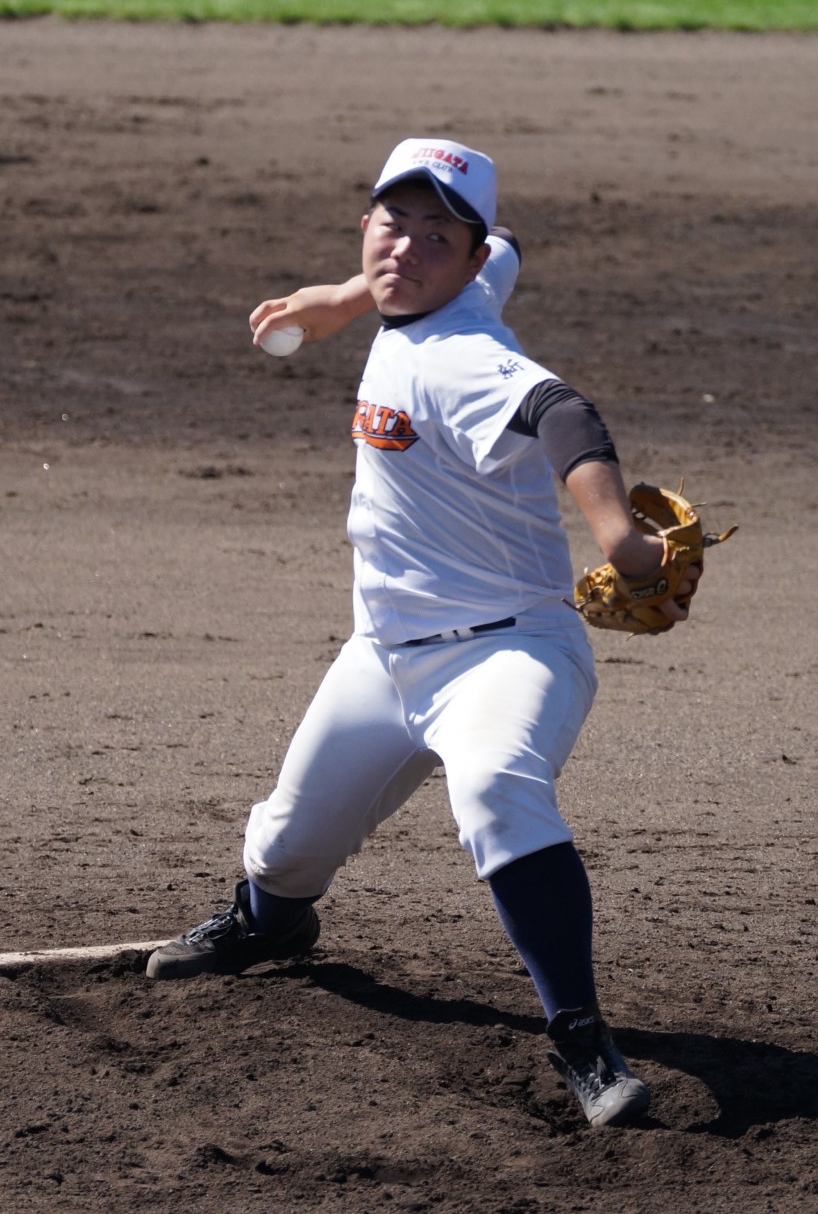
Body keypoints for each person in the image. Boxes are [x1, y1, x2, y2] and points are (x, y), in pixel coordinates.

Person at [147, 138, 699, 1128]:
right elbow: (496, 245)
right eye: (390, 223)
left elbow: (562, 411)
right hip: (385, 657)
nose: (406, 246)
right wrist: (340, 299)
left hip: (508, 650)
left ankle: (580, 1033)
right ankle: (269, 927)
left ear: (465, 251)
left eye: (434, 234)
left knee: (497, 789)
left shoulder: (465, 358)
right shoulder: (458, 274)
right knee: (278, 850)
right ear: (366, 224)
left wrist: (619, 534)